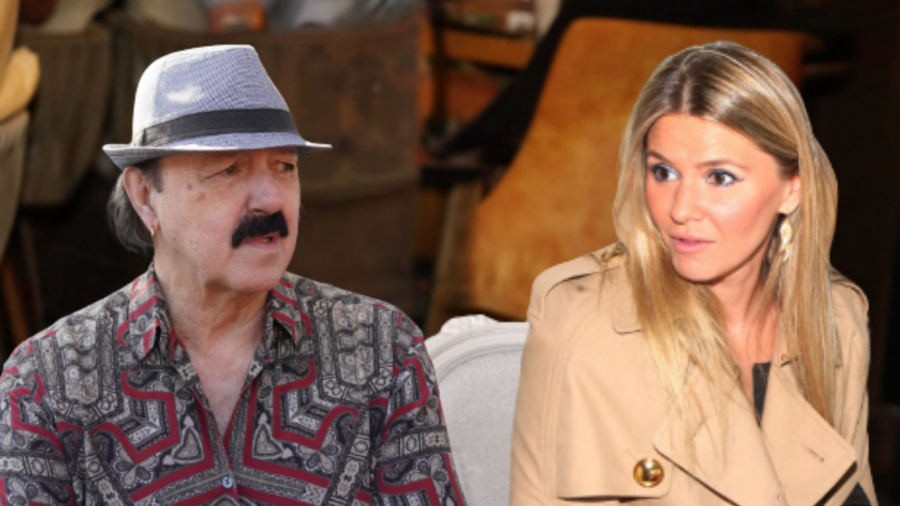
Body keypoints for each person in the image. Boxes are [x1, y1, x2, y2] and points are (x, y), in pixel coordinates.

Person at [0, 45, 466, 505]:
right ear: (145, 196)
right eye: (228, 169)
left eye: (285, 167)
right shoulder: (47, 380)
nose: (271, 200)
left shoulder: (382, 349)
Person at [510, 41, 875, 505]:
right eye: (663, 172)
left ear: (792, 190)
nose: (680, 209)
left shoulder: (835, 324)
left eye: (719, 178)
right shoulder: (584, 328)